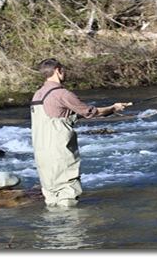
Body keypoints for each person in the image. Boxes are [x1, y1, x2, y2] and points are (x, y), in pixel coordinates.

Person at [31, 58, 130, 207]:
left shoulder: (37, 95)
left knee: (51, 195)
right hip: (59, 150)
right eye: (63, 70)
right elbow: (90, 112)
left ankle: (54, 228)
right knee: (67, 192)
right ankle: (71, 228)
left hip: (41, 153)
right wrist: (114, 108)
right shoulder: (62, 94)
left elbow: (63, 114)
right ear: (58, 70)